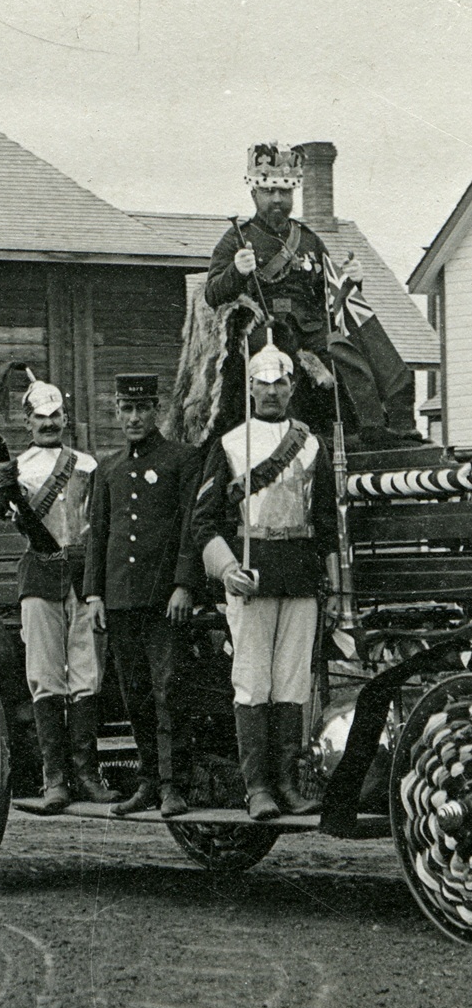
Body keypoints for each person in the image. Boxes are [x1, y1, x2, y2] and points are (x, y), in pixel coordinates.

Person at [190, 343, 337, 821]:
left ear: (293, 387)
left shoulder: (313, 445)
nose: (272, 391)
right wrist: (228, 569)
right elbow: (204, 522)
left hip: (299, 573)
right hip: (251, 574)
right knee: (252, 683)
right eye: (263, 383)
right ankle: (257, 789)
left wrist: (330, 585)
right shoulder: (231, 444)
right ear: (250, 387)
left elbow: (328, 527)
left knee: (292, 684)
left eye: (281, 383)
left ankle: (289, 784)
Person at [0, 373, 120, 812]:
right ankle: (54, 778)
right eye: (41, 417)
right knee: (45, 676)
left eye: (56, 415)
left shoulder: (90, 466)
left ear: (66, 417)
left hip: (82, 574)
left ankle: (88, 775)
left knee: (86, 673)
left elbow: (99, 525)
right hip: (39, 575)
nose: (49, 424)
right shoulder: (15, 468)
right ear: (27, 422)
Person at [204, 142, 417, 447]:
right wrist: (236, 271)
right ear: (254, 194)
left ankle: (380, 424)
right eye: (269, 191)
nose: (278, 199)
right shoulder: (236, 238)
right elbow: (212, 295)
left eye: (285, 192)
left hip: (312, 329)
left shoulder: (309, 240)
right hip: (264, 329)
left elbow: (331, 298)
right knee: (279, 350)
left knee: (349, 346)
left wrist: (352, 283)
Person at [84, 374, 203, 819]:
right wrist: (94, 592)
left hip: (163, 600)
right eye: (125, 409)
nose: (134, 417)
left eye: (142, 409)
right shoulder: (108, 469)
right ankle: (149, 781)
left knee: (168, 689)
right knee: (134, 693)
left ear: (157, 410)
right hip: (120, 599)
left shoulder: (181, 460)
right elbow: (99, 536)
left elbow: (193, 527)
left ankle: (175, 785)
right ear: (116, 411)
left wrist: (184, 584)